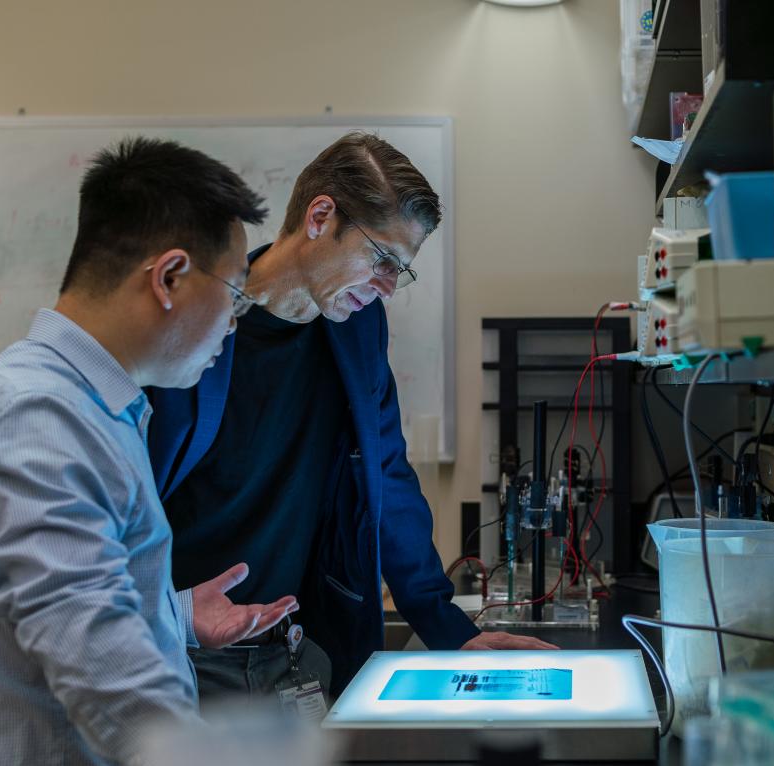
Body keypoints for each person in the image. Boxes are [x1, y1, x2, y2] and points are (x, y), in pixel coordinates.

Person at [0, 138, 404, 766]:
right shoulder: (39, 420)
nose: (240, 314)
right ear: (170, 278)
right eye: (234, 288)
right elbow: (102, 673)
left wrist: (172, 615)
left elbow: (65, 615)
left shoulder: (96, 407)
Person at [148, 132, 553, 699]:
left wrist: (447, 628)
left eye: (401, 271)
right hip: (180, 648)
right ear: (320, 217)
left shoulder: (357, 328)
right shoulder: (196, 328)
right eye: (383, 259)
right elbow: (126, 500)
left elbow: (386, 473)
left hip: (297, 644)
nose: (387, 288)